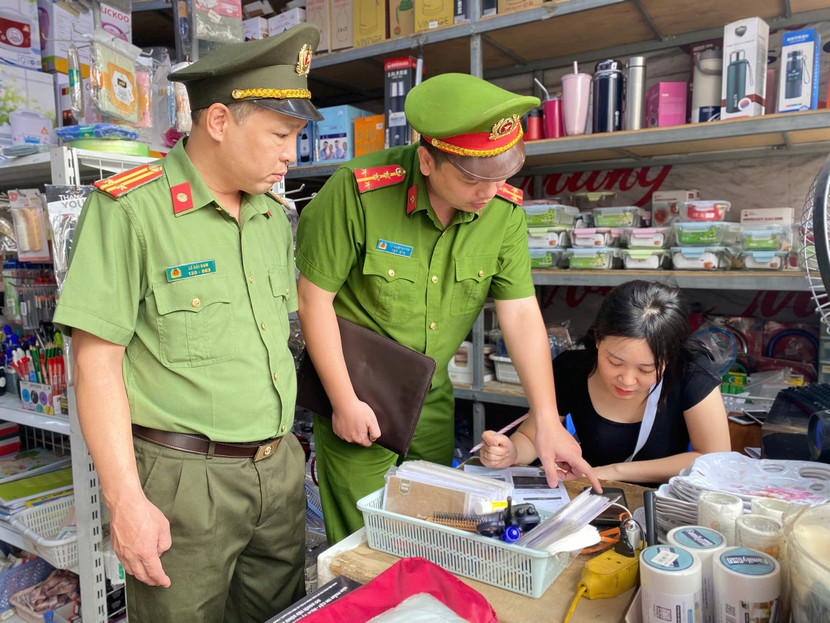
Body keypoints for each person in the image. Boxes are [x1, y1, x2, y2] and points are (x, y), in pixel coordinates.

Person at [52, 24, 323, 623]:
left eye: (297, 138)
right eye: (280, 135)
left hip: (276, 470)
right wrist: (125, 501)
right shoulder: (131, 210)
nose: (290, 155)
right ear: (220, 121)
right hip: (183, 483)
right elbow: (96, 364)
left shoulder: (273, 215)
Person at [296, 73, 599, 544]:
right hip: (358, 389)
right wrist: (342, 401)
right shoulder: (358, 193)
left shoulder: (503, 212)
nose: (490, 191)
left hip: (429, 393)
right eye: (474, 178)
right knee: (364, 538)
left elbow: (520, 314)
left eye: (502, 177)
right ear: (427, 160)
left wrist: (547, 420)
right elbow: (314, 299)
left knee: (434, 527)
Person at [479, 280, 732, 485]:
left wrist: (614, 471)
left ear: (670, 356)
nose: (627, 380)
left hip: (666, 503)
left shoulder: (692, 373)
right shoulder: (572, 369)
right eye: (615, 362)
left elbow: (714, 458)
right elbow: (531, 435)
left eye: (646, 369)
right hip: (592, 496)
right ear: (598, 339)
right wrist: (510, 453)